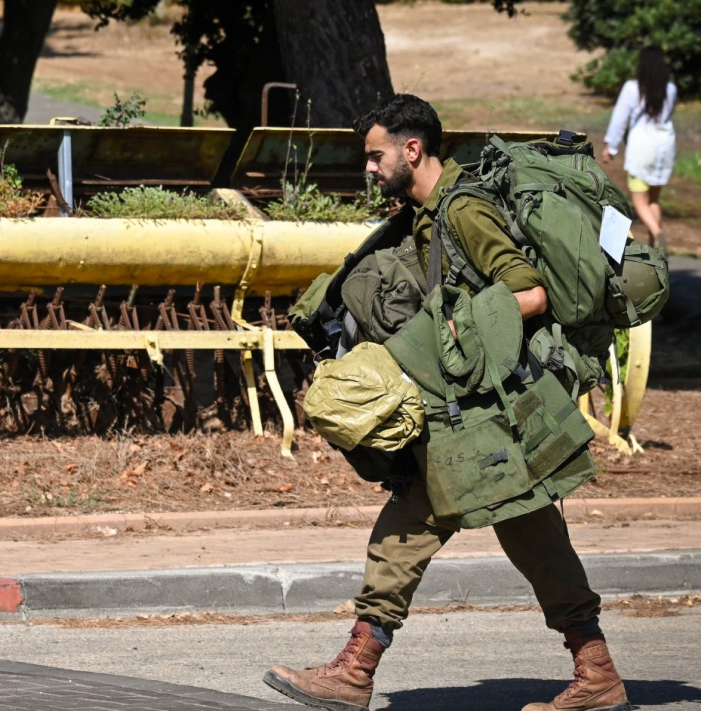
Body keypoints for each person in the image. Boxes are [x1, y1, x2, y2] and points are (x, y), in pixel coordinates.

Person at [264, 94, 630, 711]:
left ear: (413, 150)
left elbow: (532, 292)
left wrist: (452, 333)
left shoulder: (464, 211)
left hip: (490, 410)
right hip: (482, 406)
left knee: (410, 524)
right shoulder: (428, 212)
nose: (371, 168)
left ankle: (355, 670)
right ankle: (596, 671)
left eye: (377, 156)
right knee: (533, 534)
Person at [603, 45, 677, 249]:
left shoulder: (632, 88)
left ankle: (657, 232)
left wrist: (611, 146)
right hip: (665, 143)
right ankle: (657, 251)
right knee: (653, 199)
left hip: (642, 144)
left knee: (639, 199)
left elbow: (620, 118)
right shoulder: (670, 89)